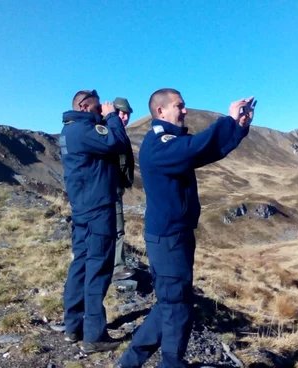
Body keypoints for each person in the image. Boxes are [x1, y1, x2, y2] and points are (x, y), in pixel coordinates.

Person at [117, 88, 255, 368]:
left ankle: (129, 362)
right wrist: (226, 120)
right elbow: (194, 149)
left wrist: (239, 129)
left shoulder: (171, 143)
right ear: (161, 111)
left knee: (170, 302)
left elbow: (205, 152)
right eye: (179, 106)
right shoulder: (159, 144)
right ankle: (171, 363)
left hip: (174, 236)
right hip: (168, 239)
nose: (185, 110)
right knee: (178, 307)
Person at [59, 89, 132, 353]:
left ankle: (73, 326)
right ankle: (94, 336)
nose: (100, 109)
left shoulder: (70, 130)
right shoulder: (83, 130)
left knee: (80, 264)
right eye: (96, 106)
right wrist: (111, 116)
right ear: (84, 105)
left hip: (82, 207)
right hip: (98, 208)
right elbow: (117, 142)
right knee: (98, 268)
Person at [112, 97, 136, 281]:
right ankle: (117, 268)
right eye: (121, 113)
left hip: (115, 187)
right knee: (117, 229)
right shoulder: (110, 132)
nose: (125, 117)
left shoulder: (117, 132)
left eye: (127, 114)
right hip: (109, 189)